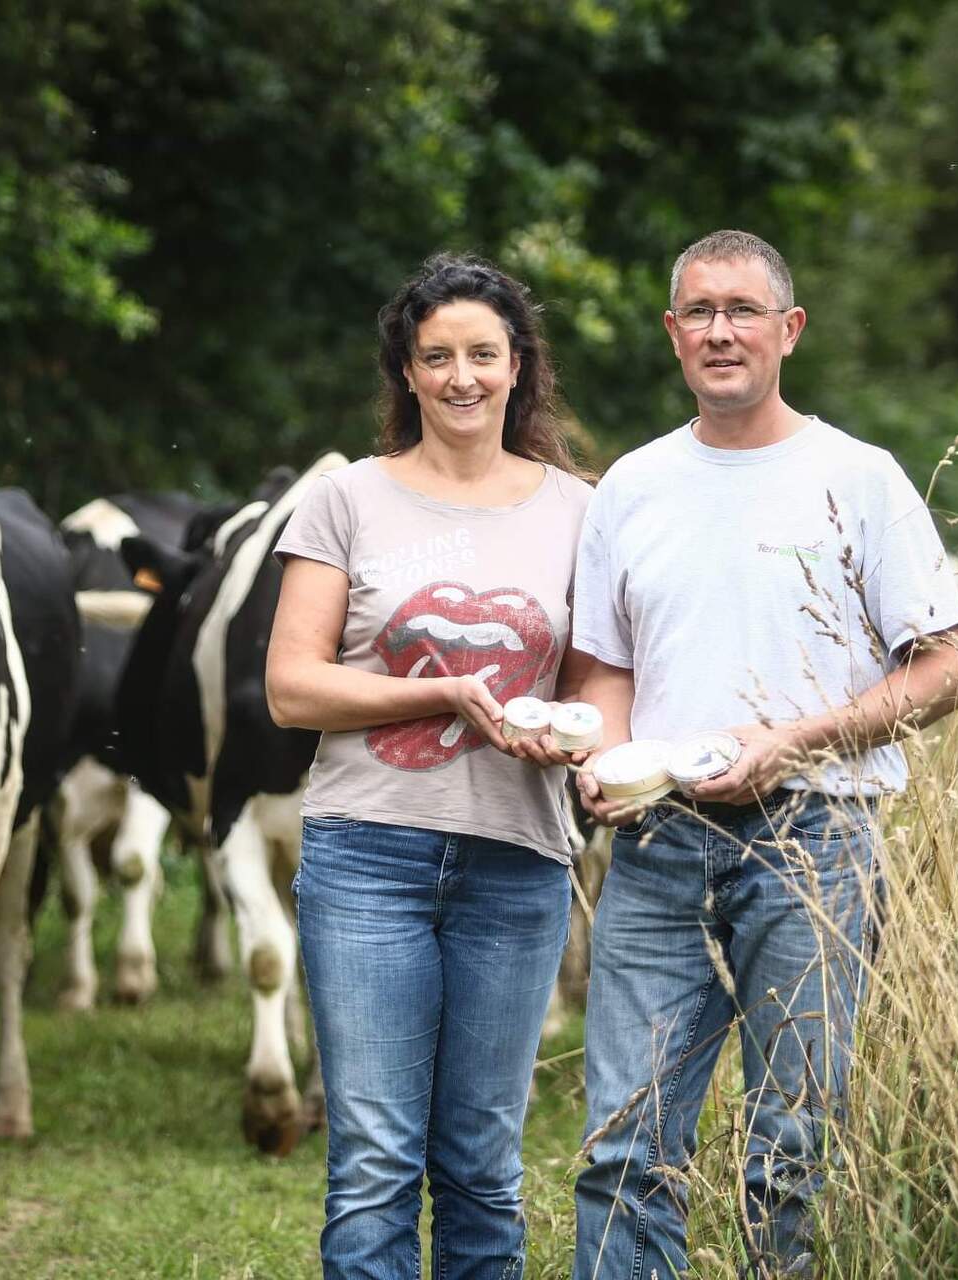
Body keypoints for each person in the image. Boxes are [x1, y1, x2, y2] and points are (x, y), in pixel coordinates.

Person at [568, 229, 958, 1277]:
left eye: (742, 309)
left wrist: (794, 738)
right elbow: (605, 665)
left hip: (816, 841)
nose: (720, 330)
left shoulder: (859, 478)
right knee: (626, 1142)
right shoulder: (632, 485)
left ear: (788, 329)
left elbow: (948, 666)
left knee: (789, 1150)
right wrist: (609, 759)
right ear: (671, 334)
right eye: (698, 311)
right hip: (659, 844)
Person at [266, 251, 596, 1279]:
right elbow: (293, 687)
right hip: (368, 855)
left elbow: (594, 692)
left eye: (483, 354)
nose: (462, 375)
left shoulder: (582, 510)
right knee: (372, 1160)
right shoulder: (347, 501)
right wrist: (442, 693)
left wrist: (576, 736)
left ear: (518, 367)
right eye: (437, 355)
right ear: (407, 373)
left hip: (519, 859)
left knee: (482, 1165)